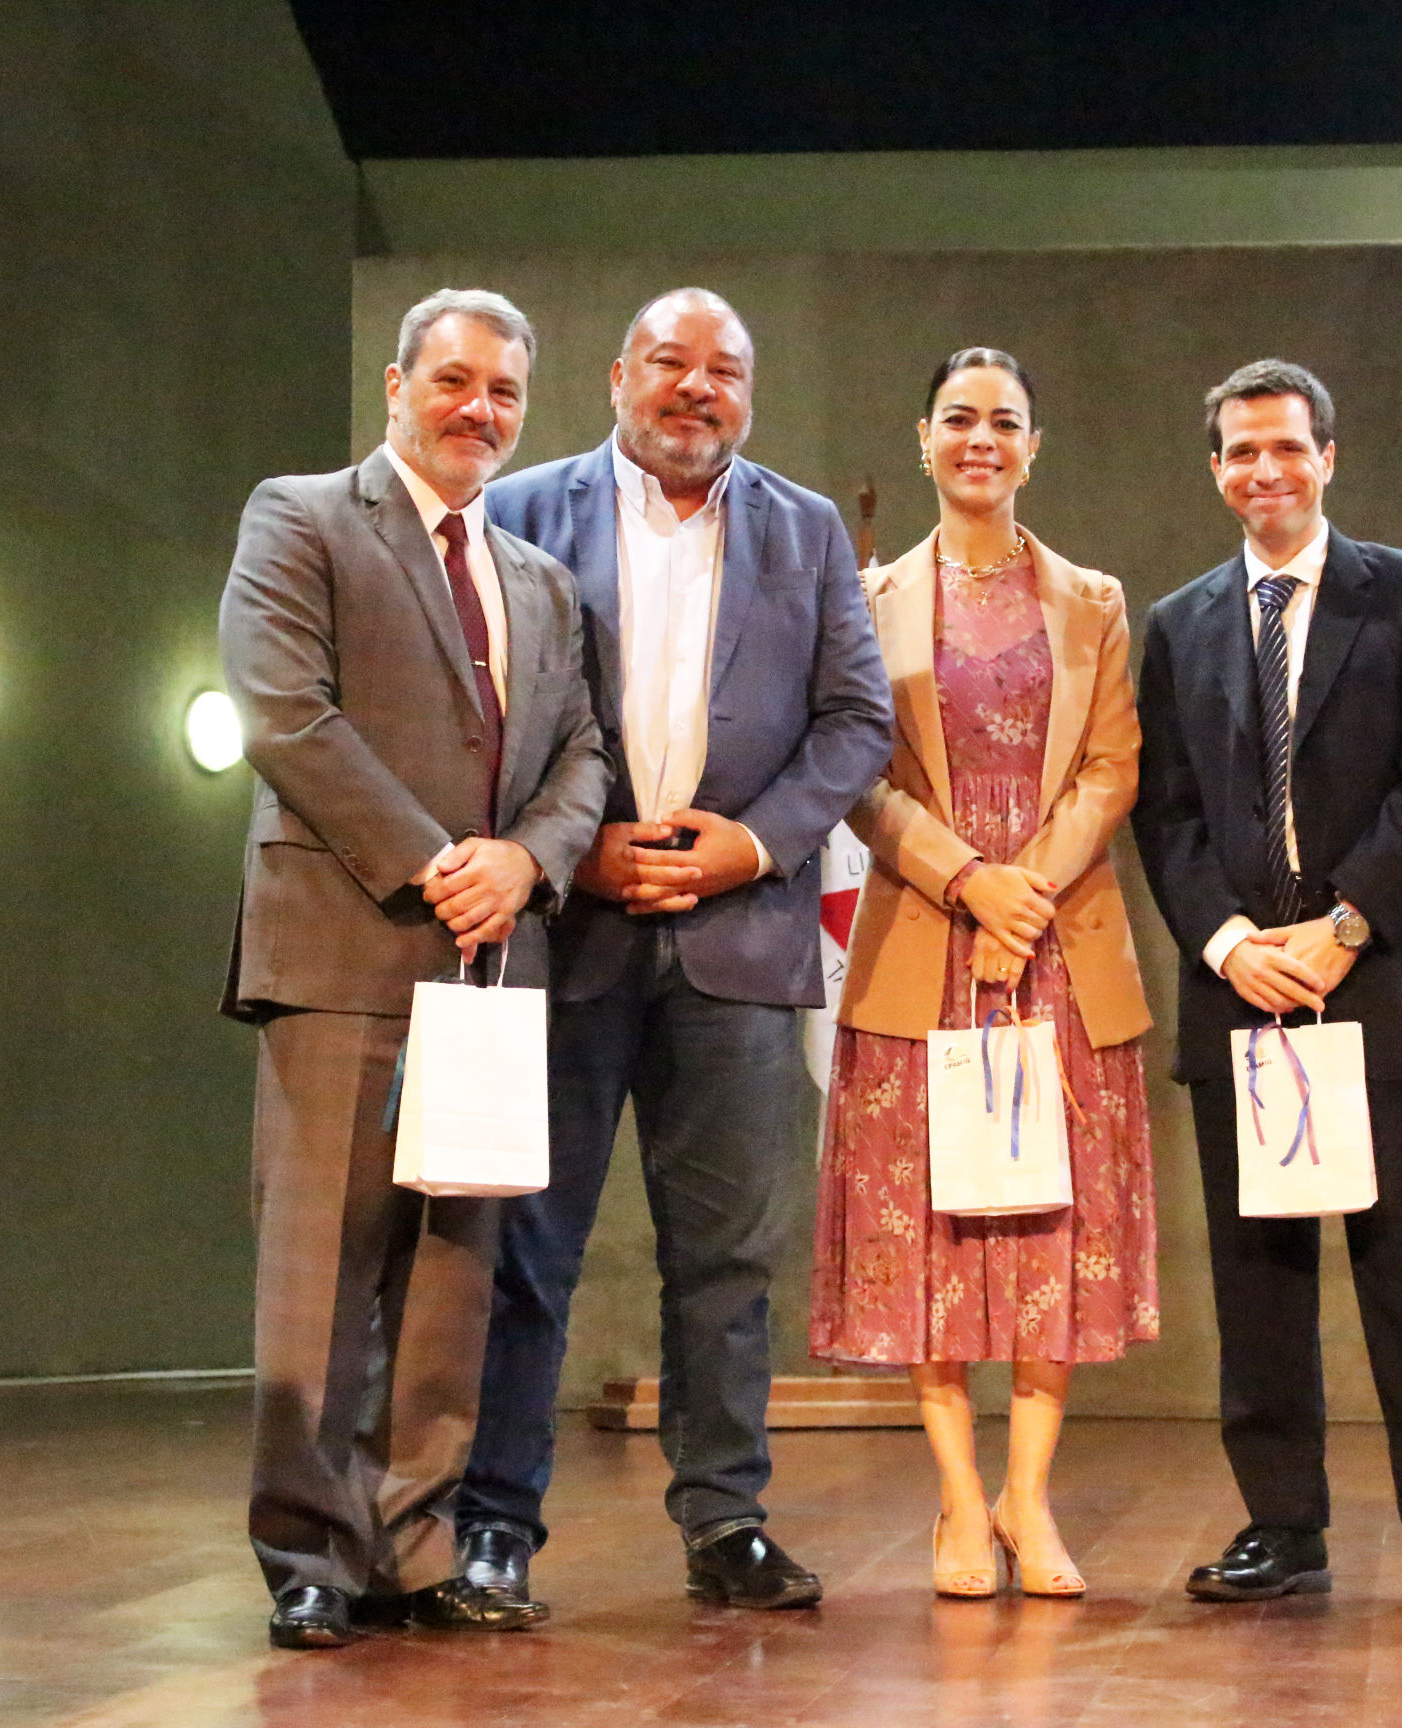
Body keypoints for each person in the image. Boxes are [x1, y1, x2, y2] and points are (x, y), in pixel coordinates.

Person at [460, 287, 893, 1614]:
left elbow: (854, 723)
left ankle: (726, 1524)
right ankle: (492, 1530)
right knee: (524, 1247)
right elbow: (470, 707)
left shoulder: (806, 529)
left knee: (726, 1262)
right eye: (672, 363)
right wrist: (561, 847)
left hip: (741, 943)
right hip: (564, 931)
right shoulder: (521, 510)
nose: (698, 388)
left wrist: (747, 848)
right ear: (616, 374)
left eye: (727, 371)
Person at [218, 289, 611, 1647]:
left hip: (492, 967)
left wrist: (528, 862)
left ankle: (415, 1543)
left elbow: (585, 758)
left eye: (504, 392)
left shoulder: (542, 583)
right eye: (454, 382)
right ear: (398, 385)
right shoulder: (303, 515)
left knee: (453, 1278)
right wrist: (439, 856)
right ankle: (310, 1552)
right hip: (344, 945)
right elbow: (282, 708)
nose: (479, 411)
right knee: (319, 1276)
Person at [1130, 358, 1402, 1615]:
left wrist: (1346, 927)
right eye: (1241, 453)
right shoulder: (1180, 623)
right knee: (1259, 1280)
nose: (1266, 472)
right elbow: (1169, 816)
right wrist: (1230, 943)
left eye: (1287, 448)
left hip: (1384, 979)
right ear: (1215, 470)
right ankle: (1281, 1526)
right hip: (1244, 987)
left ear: (1328, 456)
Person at [810, 348, 1156, 1599]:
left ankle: (1029, 1496)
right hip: (923, 938)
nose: (981, 440)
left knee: (1049, 1229)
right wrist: (969, 880)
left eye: (1004, 421)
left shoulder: (1097, 601)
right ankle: (958, 1502)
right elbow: (854, 768)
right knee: (934, 1231)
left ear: (1034, 444)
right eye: (959, 419)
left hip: (1058, 946)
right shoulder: (865, 597)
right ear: (923, 439)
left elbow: (1112, 767)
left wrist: (1028, 894)